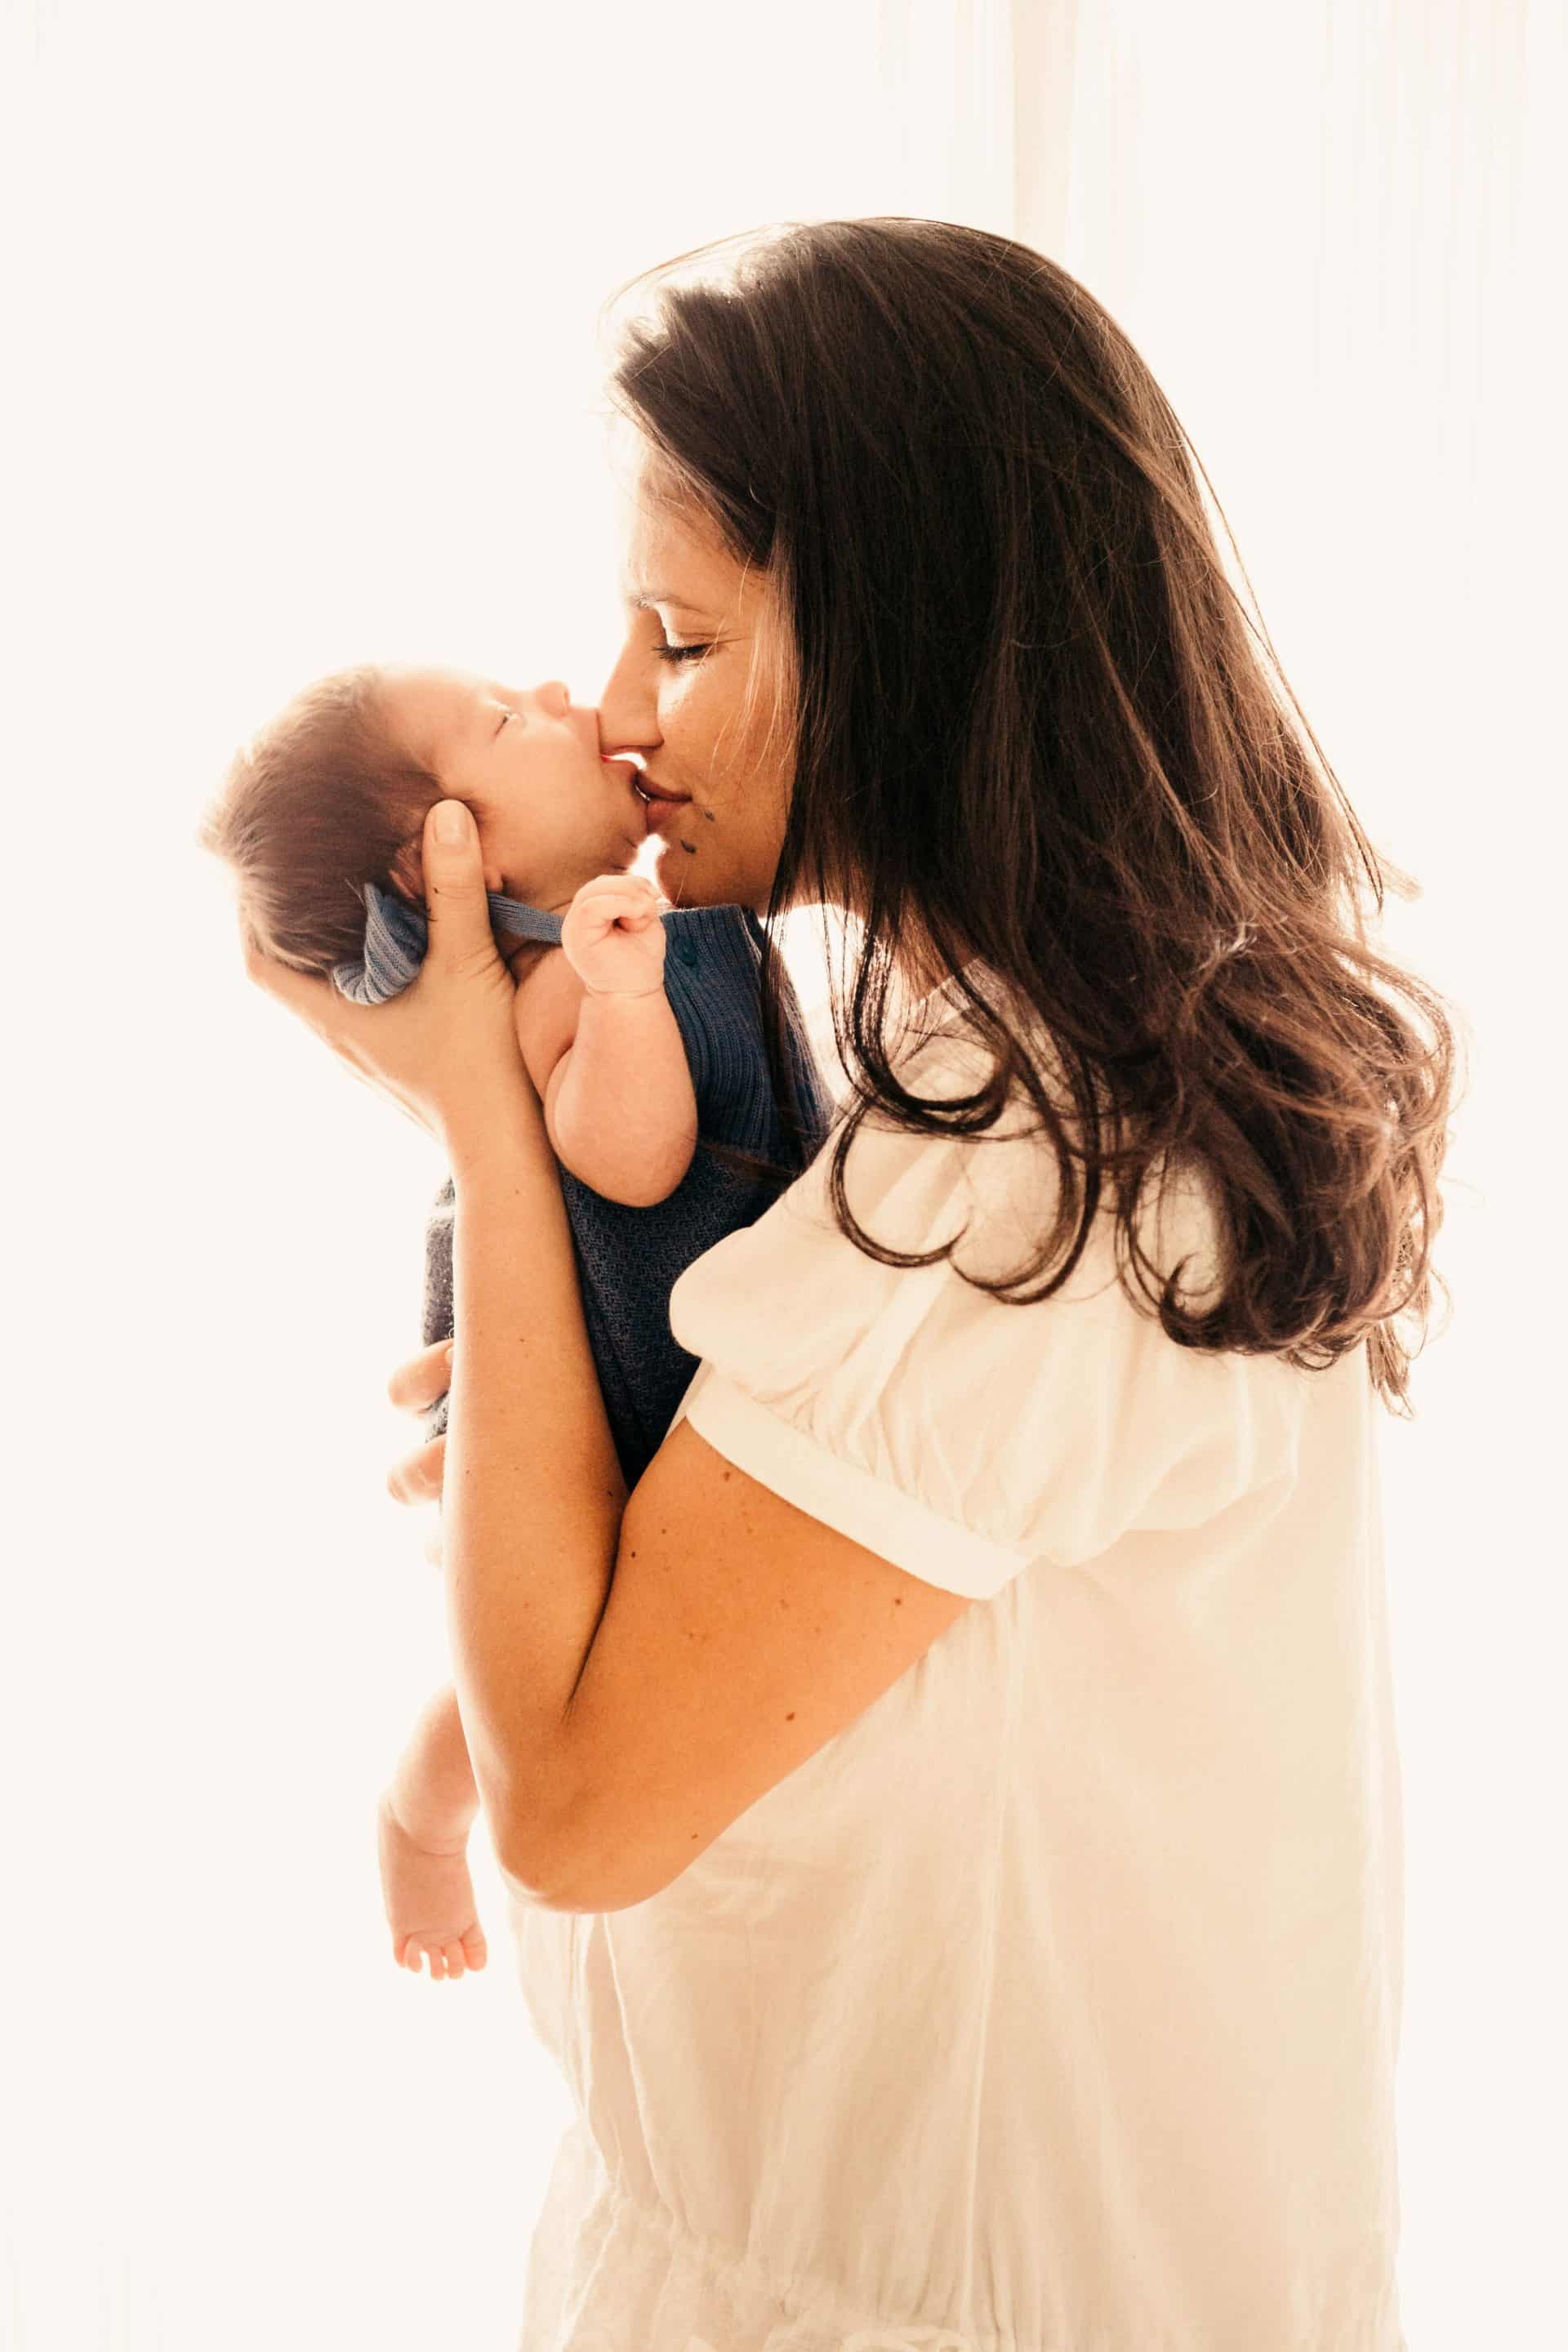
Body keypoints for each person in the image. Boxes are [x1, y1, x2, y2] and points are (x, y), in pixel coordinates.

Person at [240, 220, 1454, 2352]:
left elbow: (584, 1804)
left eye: (683, 643)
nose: (614, 712)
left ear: (912, 644)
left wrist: (473, 1129)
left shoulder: (1030, 1176)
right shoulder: (993, 1066)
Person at [200, 659, 830, 1981]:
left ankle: (431, 1801)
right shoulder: (562, 989)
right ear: (459, 863)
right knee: (511, 1692)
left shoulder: (607, 933)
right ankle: (419, 1824)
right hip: (614, 1392)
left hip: (622, 1381)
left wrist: (625, 653)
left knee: (535, 1664)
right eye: (502, 719)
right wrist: (618, 1002)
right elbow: (636, 1157)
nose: (554, 696)